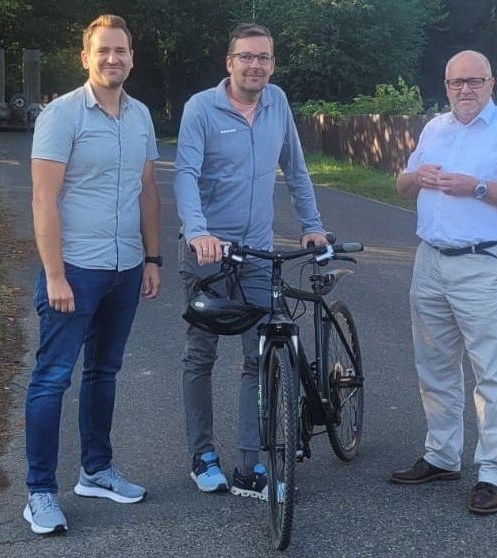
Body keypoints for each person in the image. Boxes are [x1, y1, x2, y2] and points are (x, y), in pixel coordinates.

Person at [390, 50, 497, 514]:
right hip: (431, 260)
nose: (465, 90)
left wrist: (477, 187)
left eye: (474, 81)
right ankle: (441, 455)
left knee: (492, 373)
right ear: (446, 86)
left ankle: (492, 472)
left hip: (485, 263)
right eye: (457, 82)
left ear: (491, 83)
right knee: (434, 366)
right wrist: (416, 176)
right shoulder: (434, 129)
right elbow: (401, 186)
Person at [173, 22, 326, 500]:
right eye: (246, 57)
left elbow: (296, 170)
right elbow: (185, 173)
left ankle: (249, 467)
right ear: (230, 62)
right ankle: (202, 456)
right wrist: (198, 232)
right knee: (201, 355)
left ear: (272, 64)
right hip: (210, 255)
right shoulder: (201, 107)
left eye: (264, 58)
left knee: (256, 359)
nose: (255, 65)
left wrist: (312, 223)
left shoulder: (277, 102)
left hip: (258, 254)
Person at [24, 14, 161, 534]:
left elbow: (148, 190)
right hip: (75, 269)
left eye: (121, 50)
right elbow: (43, 197)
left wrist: (152, 259)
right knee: (52, 379)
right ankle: (39, 491)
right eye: (103, 50)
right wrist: (54, 274)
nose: (112, 59)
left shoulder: (141, 116)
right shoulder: (62, 116)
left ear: (131, 57)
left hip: (125, 268)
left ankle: (96, 471)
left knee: (104, 373)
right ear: (85, 57)